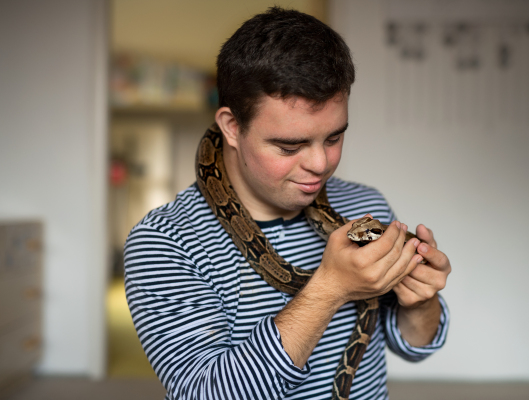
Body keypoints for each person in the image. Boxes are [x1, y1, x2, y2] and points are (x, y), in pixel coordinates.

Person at [124, 7, 451, 400]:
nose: (321, 164)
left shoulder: (365, 205)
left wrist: (421, 300)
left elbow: (414, 345)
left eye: (333, 138)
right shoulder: (164, 243)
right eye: (289, 145)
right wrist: (330, 289)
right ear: (231, 127)